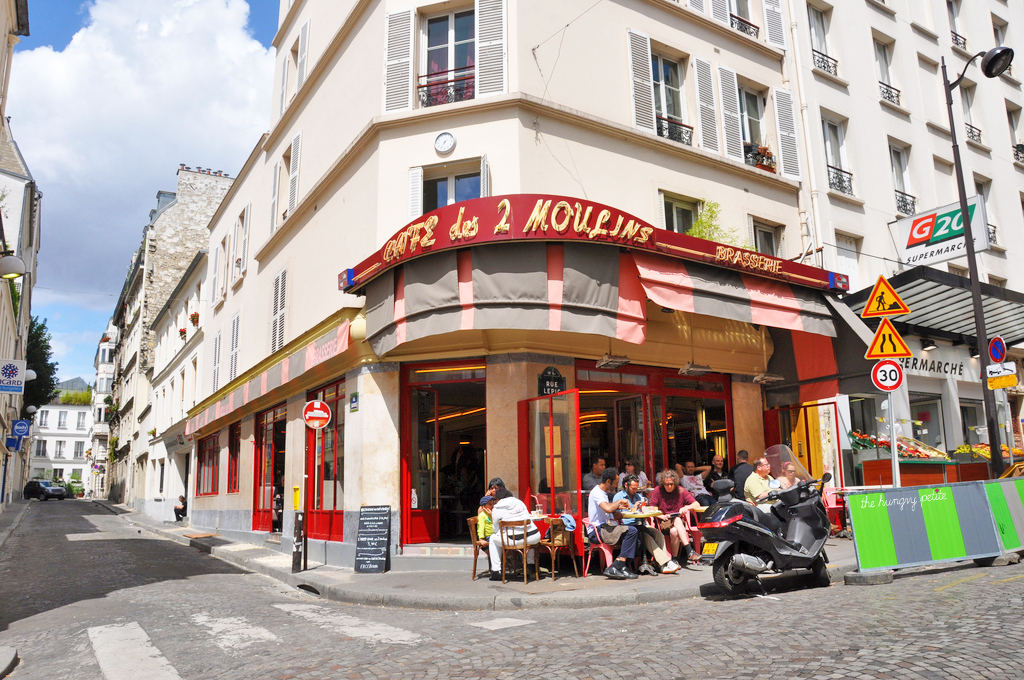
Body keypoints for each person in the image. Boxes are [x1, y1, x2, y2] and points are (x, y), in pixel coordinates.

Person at [613, 475, 681, 575]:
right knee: (646, 536)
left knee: (658, 534)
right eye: (633, 488)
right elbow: (619, 515)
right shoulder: (618, 497)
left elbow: (645, 513)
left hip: (640, 523)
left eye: (637, 488)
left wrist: (645, 509)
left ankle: (661, 565)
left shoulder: (638, 496)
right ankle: (666, 562)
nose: (635, 490)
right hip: (627, 526)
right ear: (626, 485)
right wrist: (634, 509)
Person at [588, 468, 640, 579]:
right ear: (608, 481)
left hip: (606, 527)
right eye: (615, 483)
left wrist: (622, 511)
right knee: (631, 531)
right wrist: (619, 501)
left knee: (636, 534)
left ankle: (623, 566)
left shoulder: (604, 493)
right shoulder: (597, 493)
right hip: (597, 531)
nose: (616, 486)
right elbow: (607, 508)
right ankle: (617, 565)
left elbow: (610, 513)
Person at [648, 469, 703, 564]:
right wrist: (661, 516)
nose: (669, 486)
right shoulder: (658, 490)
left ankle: (675, 559)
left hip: (678, 524)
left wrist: (687, 508)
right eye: (666, 484)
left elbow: (696, 504)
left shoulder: (681, 490)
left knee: (674, 531)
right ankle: (689, 550)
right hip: (664, 521)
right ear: (662, 483)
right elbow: (651, 508)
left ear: (675, 483)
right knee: (677, 520)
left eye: (671, 484)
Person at [487, 487, 540, 580]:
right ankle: (530, 564)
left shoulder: (497, 509)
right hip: (534, 536)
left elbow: (495, 529)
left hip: (514, 539)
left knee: (493, 539)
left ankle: (496, 571)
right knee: (527, 542)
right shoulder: (519, 502)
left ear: (498, 499)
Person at [476, 495, 496, 575]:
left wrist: (492, 515)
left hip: (494, 535)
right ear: (484, 506)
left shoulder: (492, 514)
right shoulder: (482, 516)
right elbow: (480, 527)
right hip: (487, 537)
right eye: (490, 504)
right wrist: (481, 538)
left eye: (492, 504)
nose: (492, 506)